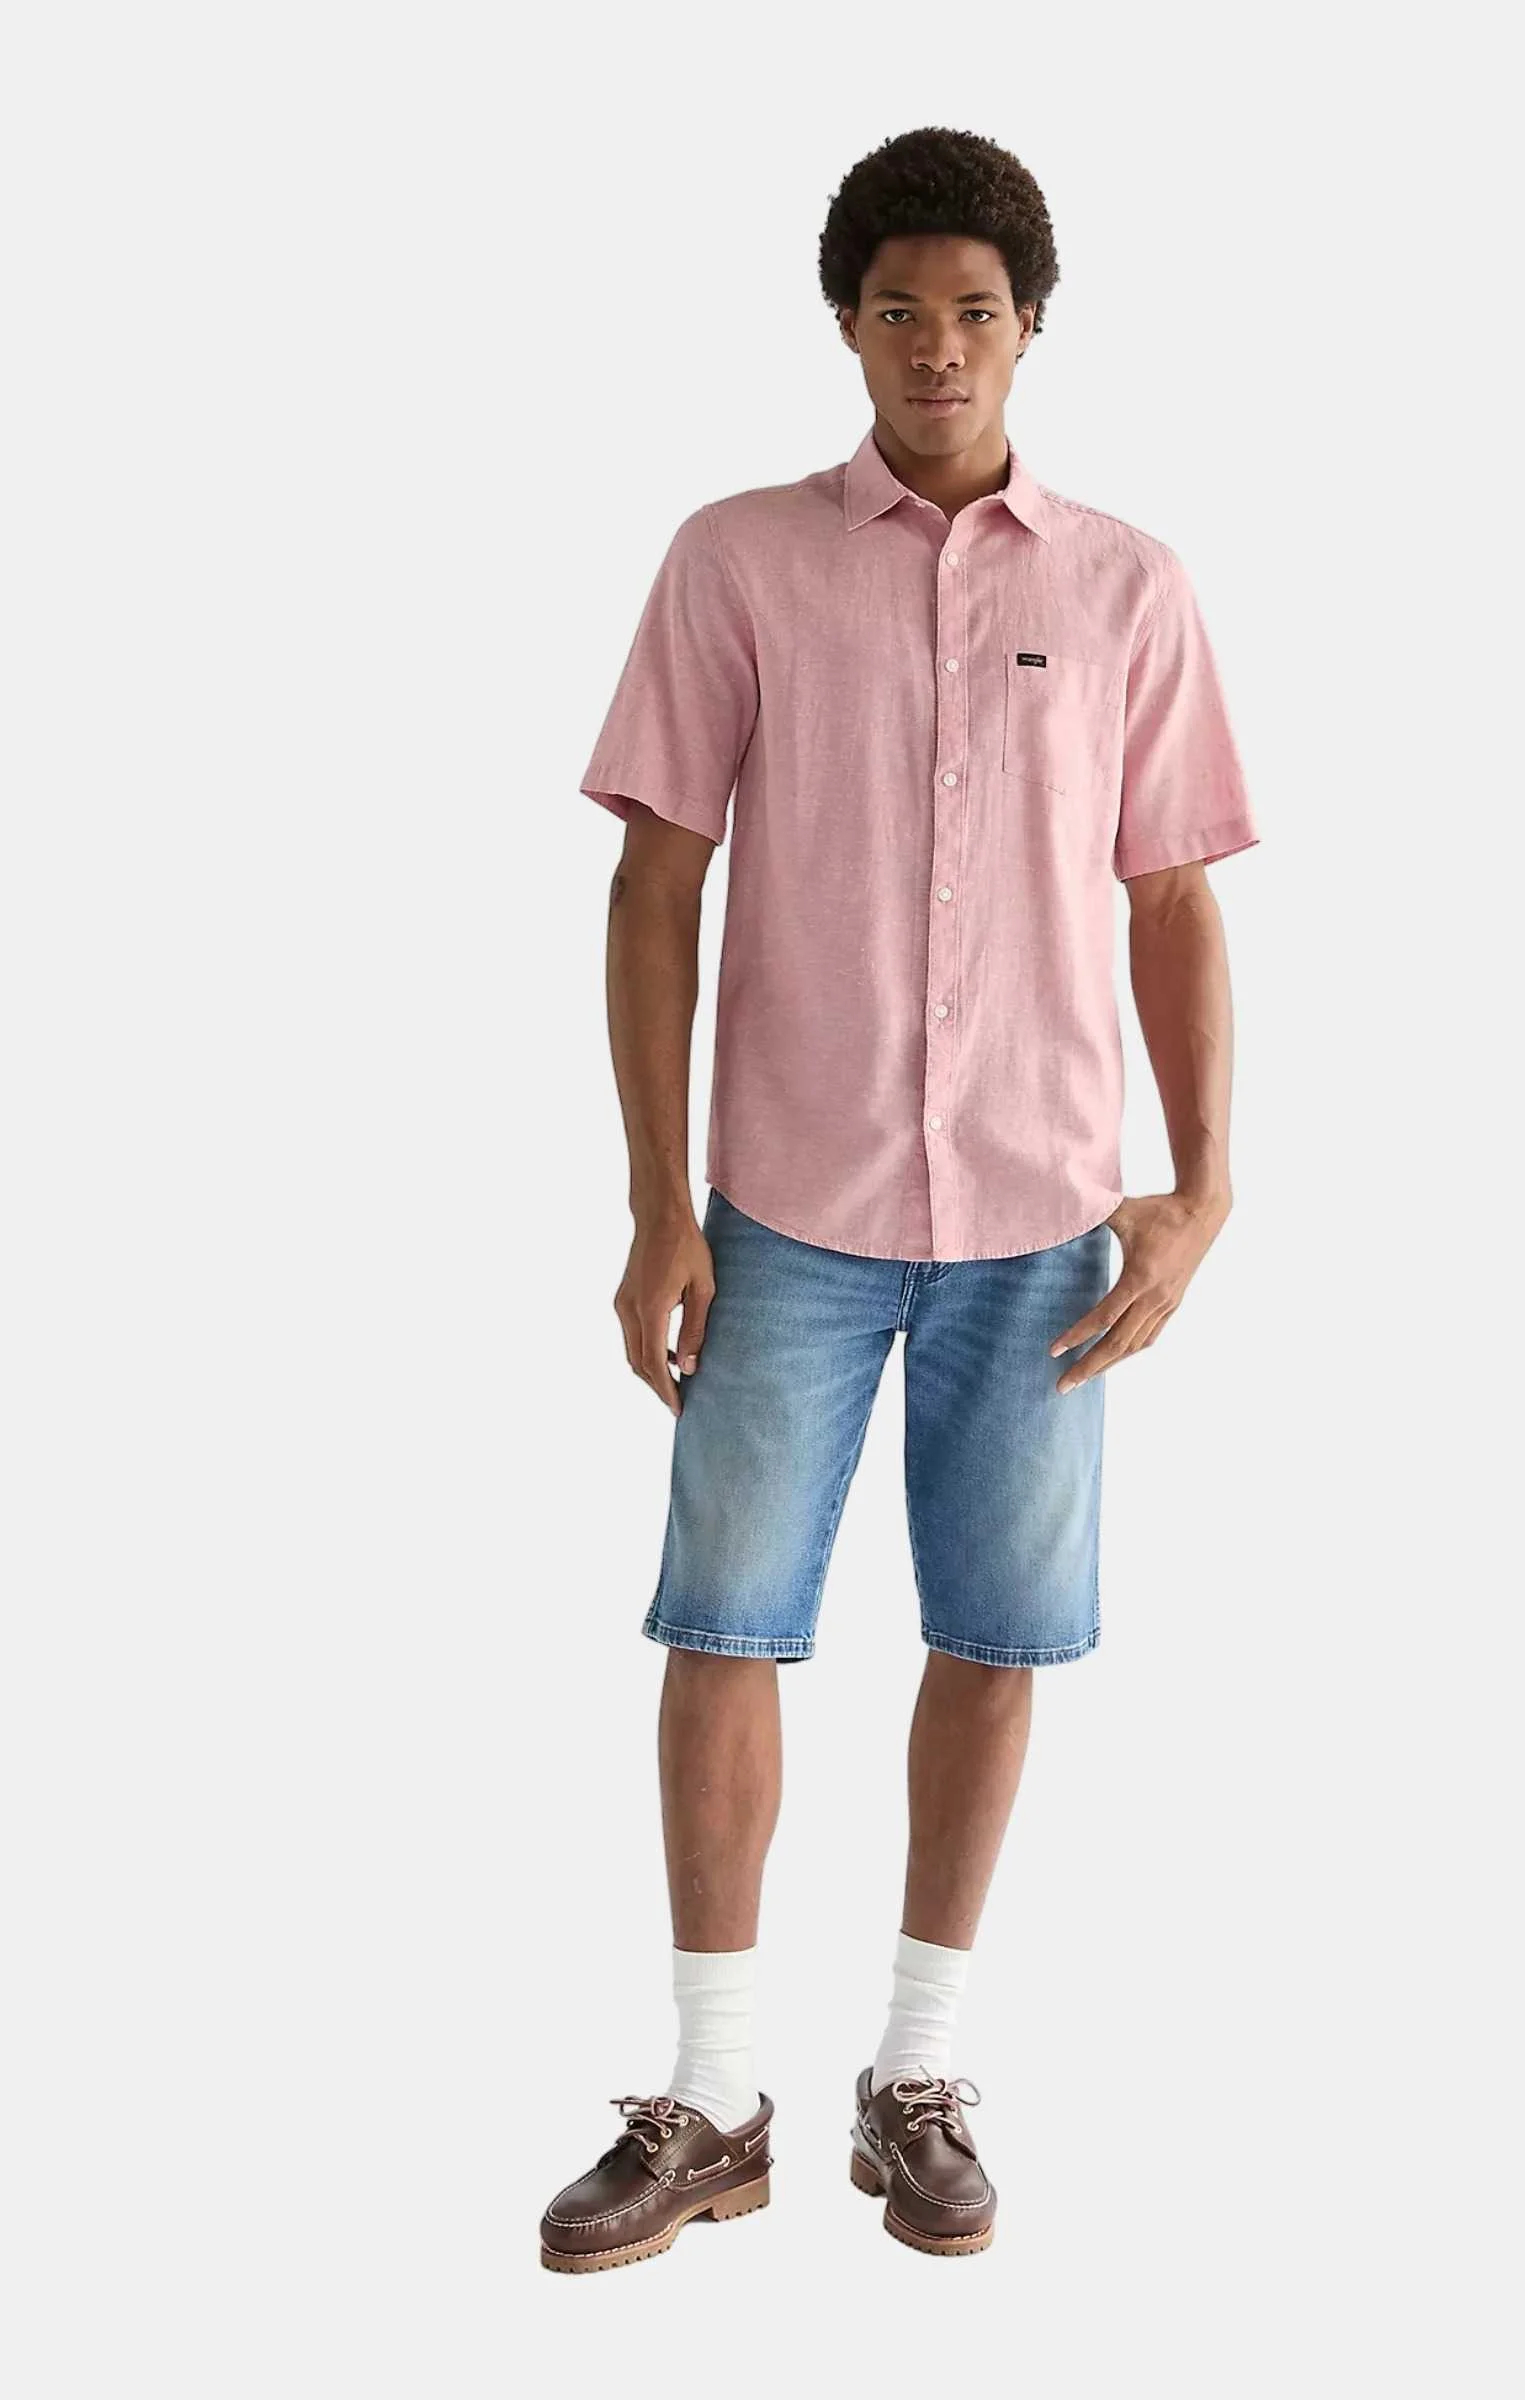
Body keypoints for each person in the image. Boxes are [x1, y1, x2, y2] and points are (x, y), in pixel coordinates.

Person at [539, 124, 1259, 2273]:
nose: (937, 345)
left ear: (1031, 328)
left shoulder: (1127, 586)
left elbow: (1172, 898)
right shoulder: (737, 561)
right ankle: (712, 2098)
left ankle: (917, 2074)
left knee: (993, 1636)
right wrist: (658, 1205)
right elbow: (655, 886)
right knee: (722, 1623)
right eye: (898, 310)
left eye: (975, 311)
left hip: (1041, 1225)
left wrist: (1204, 1189)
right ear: (845, 328)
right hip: (788, 1210)